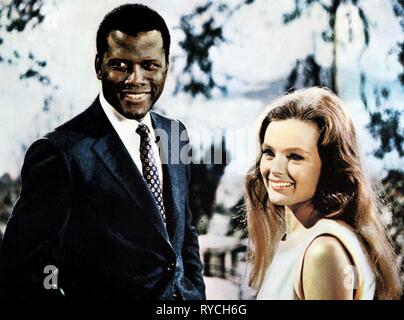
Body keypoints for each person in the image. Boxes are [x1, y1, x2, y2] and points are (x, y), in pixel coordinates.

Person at [0, 3, 205, 300]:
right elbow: (25, 267)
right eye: (120, 65)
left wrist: (196, 296)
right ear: (99, 65)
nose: (135, 79)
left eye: (149, 65)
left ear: (166, 66)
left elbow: (184, 233)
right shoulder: (60, 153)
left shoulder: (175, 134)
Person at [245, 87, 402, 300]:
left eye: (295, 156)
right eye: (269, 153)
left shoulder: (323, 250)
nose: (275, 169)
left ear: (329, 166)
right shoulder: (303, 237)